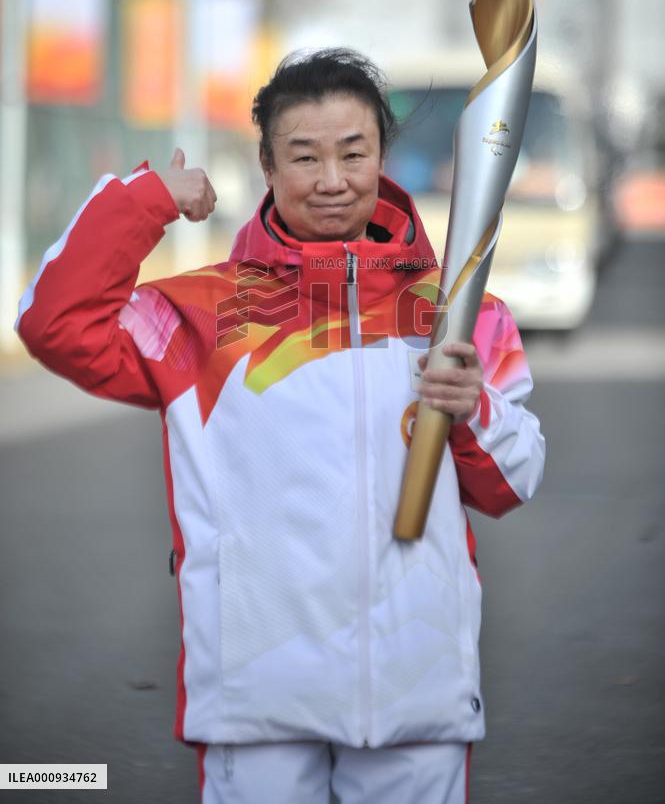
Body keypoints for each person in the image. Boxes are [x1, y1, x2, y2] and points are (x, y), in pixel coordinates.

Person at [16, 48, 545, 804]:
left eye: (352, 153)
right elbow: (54, 323)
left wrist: (474, 411)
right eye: (304, 156)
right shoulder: (200, 317)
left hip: (414, 688)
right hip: (258, 692)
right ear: (266, 165)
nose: (331, 179)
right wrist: (146, 199)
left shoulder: (457, 313)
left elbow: (512, 481)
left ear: (380, 156)